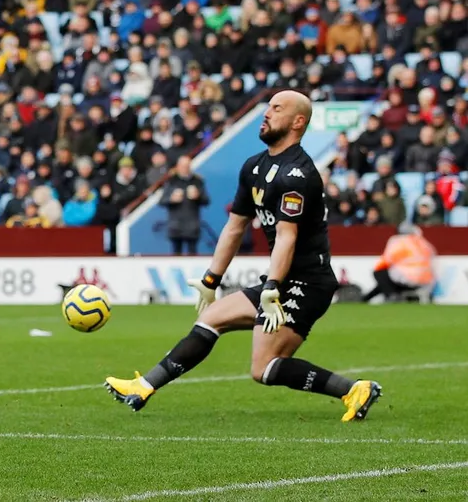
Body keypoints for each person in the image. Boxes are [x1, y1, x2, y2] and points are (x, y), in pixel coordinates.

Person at [105, 90, 381, 422]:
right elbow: (235, 228)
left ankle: (354, 389)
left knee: (263, 369)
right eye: (267, 107)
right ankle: (144, 386)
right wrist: (212, 279)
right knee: (211, 317)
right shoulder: (254, 167)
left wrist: (272, 286)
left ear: (298, 122)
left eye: (276, 109)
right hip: (282, 280)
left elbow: (286, 236)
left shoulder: (300, 174)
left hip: (307, 283)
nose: (266, 114)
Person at [362, 222, 436, 302]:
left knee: (379, 273)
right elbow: (432, 255)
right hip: (426, 281)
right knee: (387, 283)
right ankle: (365, 298)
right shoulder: (423, 242)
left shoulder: (397, 240)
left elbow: (387, 260)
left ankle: (391, 296)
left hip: (406, 279)